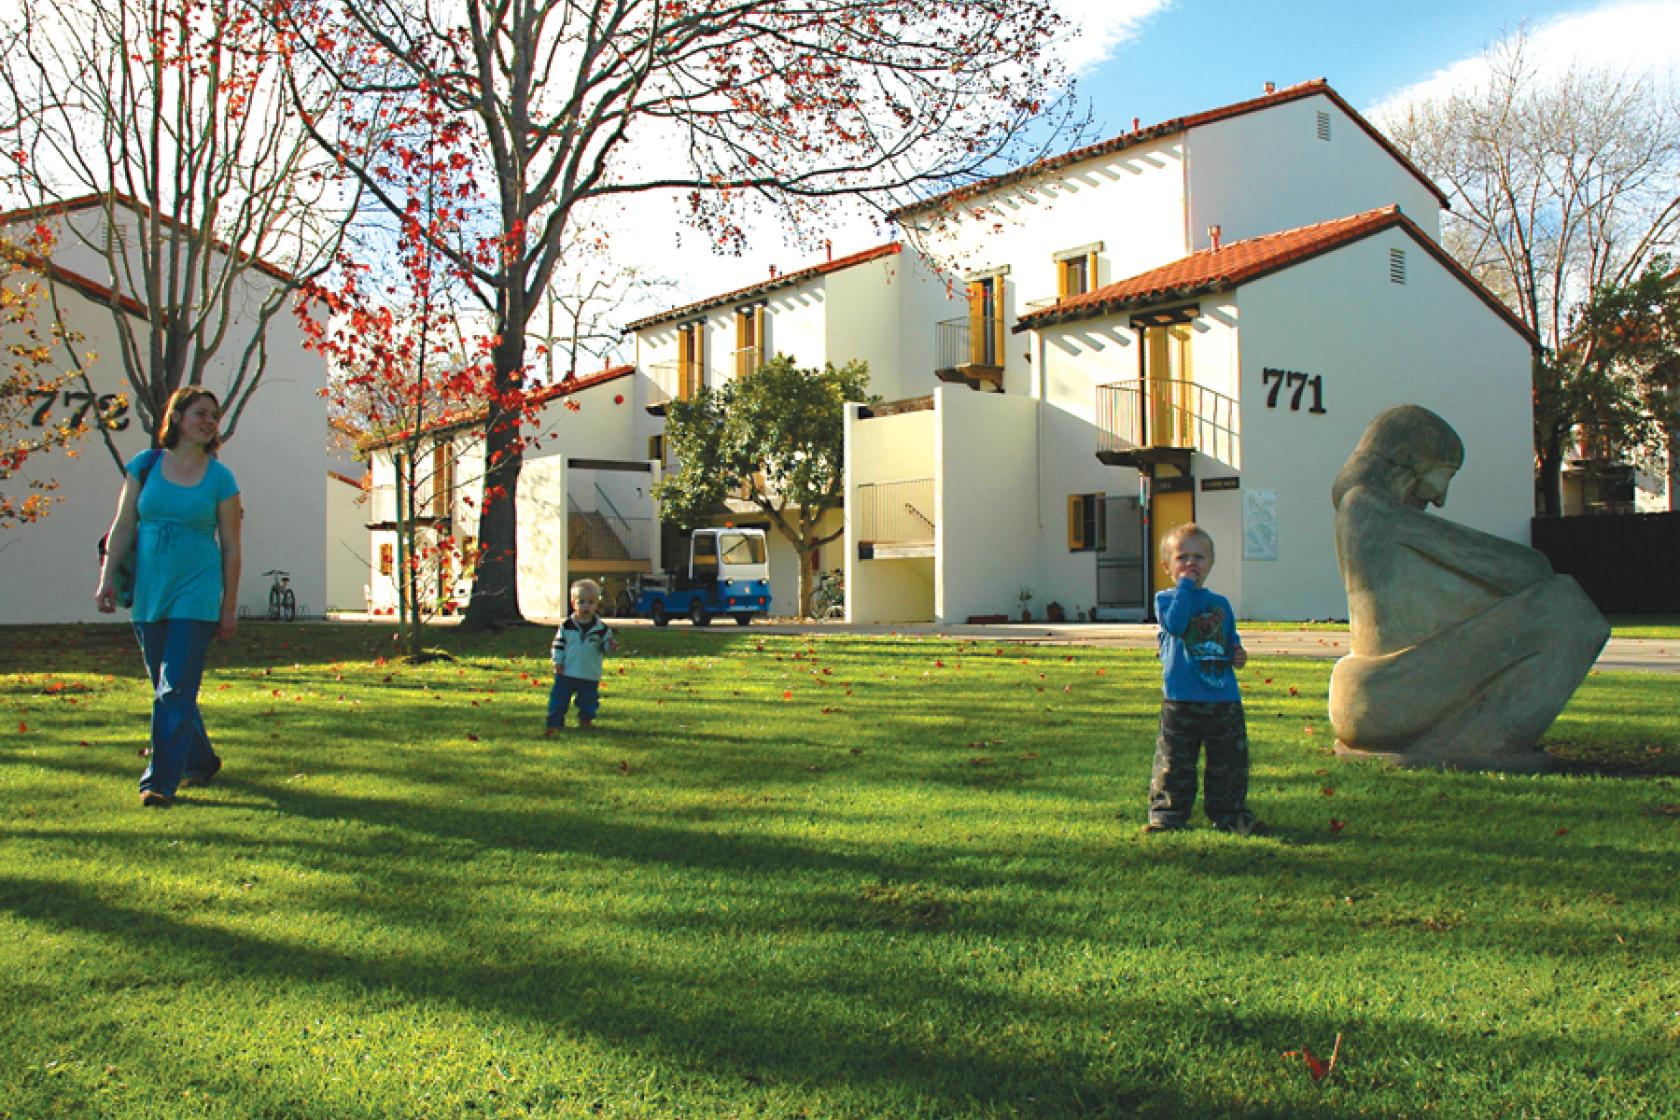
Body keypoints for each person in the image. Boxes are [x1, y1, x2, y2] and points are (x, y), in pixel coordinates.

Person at [1329, 404, 1607, 770]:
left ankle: (1478, 739)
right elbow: (1530, 568)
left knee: (1564, 606)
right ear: (1409, 460)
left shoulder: (1367, 510)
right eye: (1445, 474)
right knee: (1569, 612)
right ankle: (1486, 743)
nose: (1441, 498)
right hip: (1386, 694)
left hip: (1385, 691)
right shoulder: (1366, 507)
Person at [95, 387, 242, 808]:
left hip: (196, 593)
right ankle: (200, 759)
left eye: (214, 415)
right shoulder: (144, 466)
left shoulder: (221, 478)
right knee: (168, 687)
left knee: (174, 688)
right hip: (149, 592)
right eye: (201, 413)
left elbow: (232, 547)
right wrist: (107, 578)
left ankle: (158, 781)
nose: (210, 420)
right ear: (176, 417)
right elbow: (123, 527)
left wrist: (227, 607)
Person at [1144, 522, 1265, 835]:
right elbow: (1175, 624)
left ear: (1210, 564)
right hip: (1181, 698)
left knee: (1228, 763)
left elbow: (1228, 639)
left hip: (1222, 698)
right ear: (1166, 566)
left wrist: (1237, 654)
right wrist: (1184, 587)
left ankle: (1229, 814)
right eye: (1182, 557)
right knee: (1175, 763)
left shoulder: (1220, 604)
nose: (1190, 563)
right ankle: (1167, 815)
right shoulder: (1167, 600)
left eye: (1199, 557)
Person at [547, 578, 619, 732]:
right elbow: (558, 645)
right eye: (581, 602)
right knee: (559, 699)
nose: (586, 606)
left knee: (588, 701)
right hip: (567, 670)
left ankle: (585, 721)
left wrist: (610, 645)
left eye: (591, 602)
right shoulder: (567, 626)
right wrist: (557, 662)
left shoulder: (602, 629)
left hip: (589, 672)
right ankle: (555, 722)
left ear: (597, 605)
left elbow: (605, 647)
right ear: (573, 604)